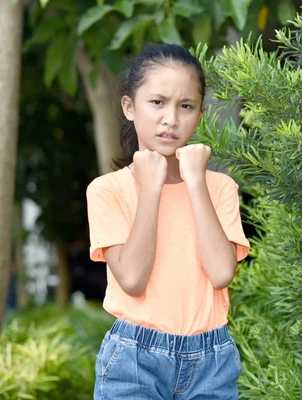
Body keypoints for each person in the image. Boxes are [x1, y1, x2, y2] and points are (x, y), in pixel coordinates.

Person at [86, 43, 250, 400]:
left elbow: (222, 272)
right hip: (134, 360)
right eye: (157, 102)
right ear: (129, 107)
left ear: (200, 114)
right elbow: (131, 279)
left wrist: (195, 182)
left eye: (186, 106)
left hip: (212, 361)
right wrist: (151, 188)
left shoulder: (219, 187)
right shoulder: (107, 190)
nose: (171, 119)